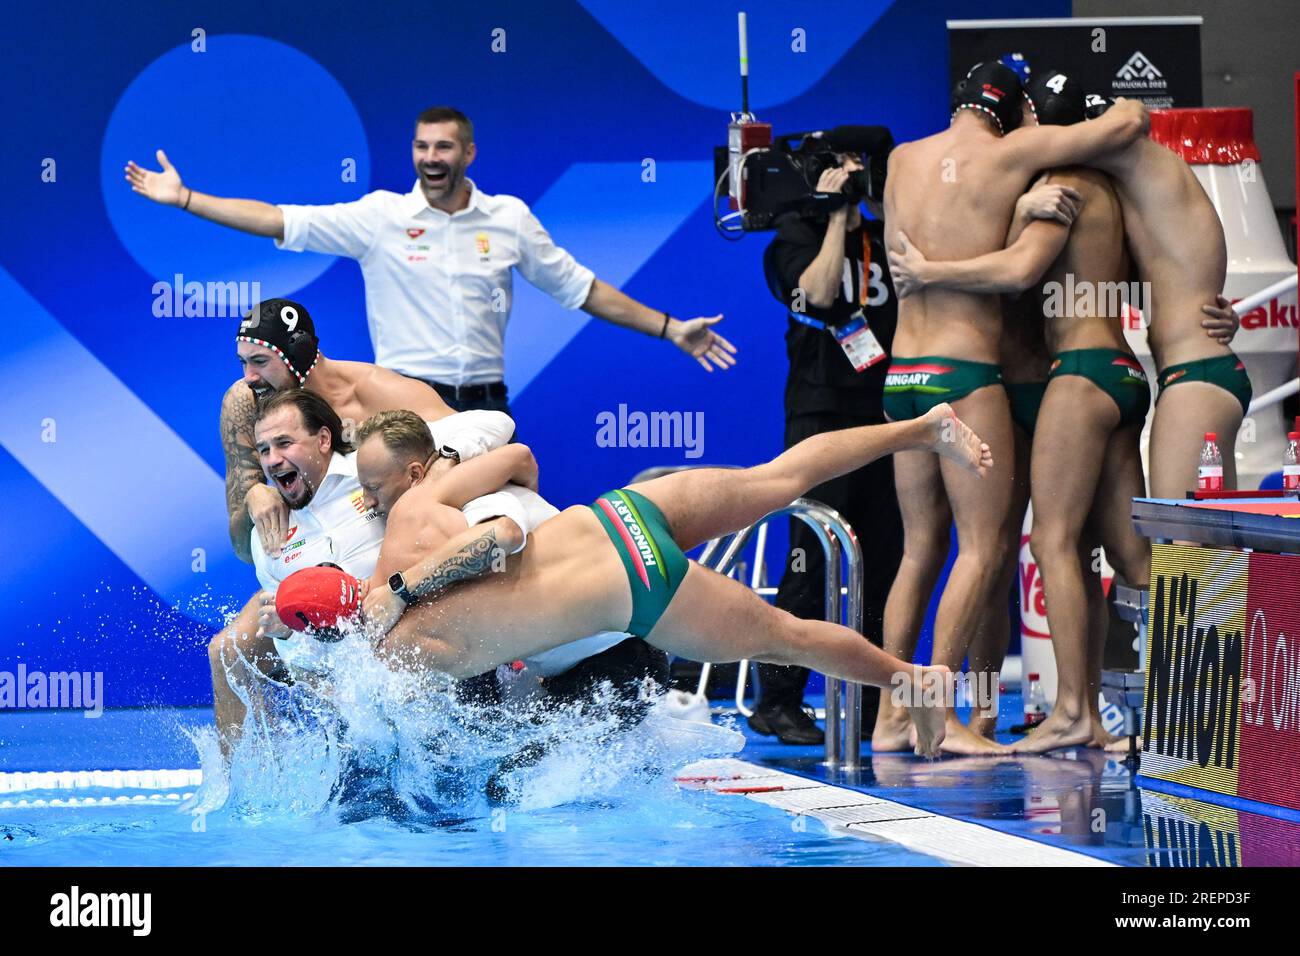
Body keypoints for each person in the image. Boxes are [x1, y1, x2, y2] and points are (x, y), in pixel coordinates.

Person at [283, 404, 996, 759]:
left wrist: (404, 592)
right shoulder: (412, 510)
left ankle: (910, 682)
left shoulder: (397, 654)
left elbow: (499, 541)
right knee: (778, 477)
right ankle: (924, 427)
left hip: (637, 587)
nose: (363, 502)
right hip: (618, 512)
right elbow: (515, 466)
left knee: (792, 641)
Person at [888, 74, 1240, 751]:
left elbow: (1022, 271)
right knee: (1126, 554)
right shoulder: (1106, 192)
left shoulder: (1053, 186)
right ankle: (1169, 718)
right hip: (1113, 376)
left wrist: (930, 271)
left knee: (1000, 550)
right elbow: (1165, 272)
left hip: (1062, 381)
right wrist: (1216, 309)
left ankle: (1045, 710)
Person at [868, 61, 1150, 755]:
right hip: (969, 376)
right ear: (1011, 111)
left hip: (904, 373)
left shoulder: (903, 160)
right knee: (986, 551)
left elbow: (945, 227)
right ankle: (940, 715)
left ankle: (897, 717)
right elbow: (1123, 124)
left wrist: (1015, 212)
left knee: (921, 551)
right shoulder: (1012, 154)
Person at [127, 106, 737, 414]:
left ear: (468, 151)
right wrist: (185, 199)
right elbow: (279, 219)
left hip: (487, 400)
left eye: (444, 145)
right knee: (414, 546)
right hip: (403, 397)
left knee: (495, 540)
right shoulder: (381, 216)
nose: (431, 156)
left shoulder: (510, 218)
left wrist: (668, 327)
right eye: (421, 146)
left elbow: (582, 289)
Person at [209, 388, 526, 754]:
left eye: (284, 443)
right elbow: (307, 668)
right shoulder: (269, 536)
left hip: (452, 665)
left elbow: (497, 422)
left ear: (324, 439)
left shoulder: (374, 466)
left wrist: (444, 464)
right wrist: (293, 633)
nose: (273, 460)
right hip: (369, 712)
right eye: (264, 450)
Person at [751, 150, 901, 744]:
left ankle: (868, 704)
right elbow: (814, 293)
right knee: (810, 559)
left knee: (881, 558)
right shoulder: (793, 235)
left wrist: (876, 208)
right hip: (821, 413)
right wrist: (837, 216)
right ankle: (779, 699)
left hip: (884, 412)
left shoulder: (889, 235)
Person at [1080, 99, 1250, 497]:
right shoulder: (1140, 194)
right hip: (1203, 371)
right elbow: (1163, 288)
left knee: (1178, 544)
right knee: (1214, 546)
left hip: (1197, 377)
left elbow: (1127, 115)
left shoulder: (1145, 158)